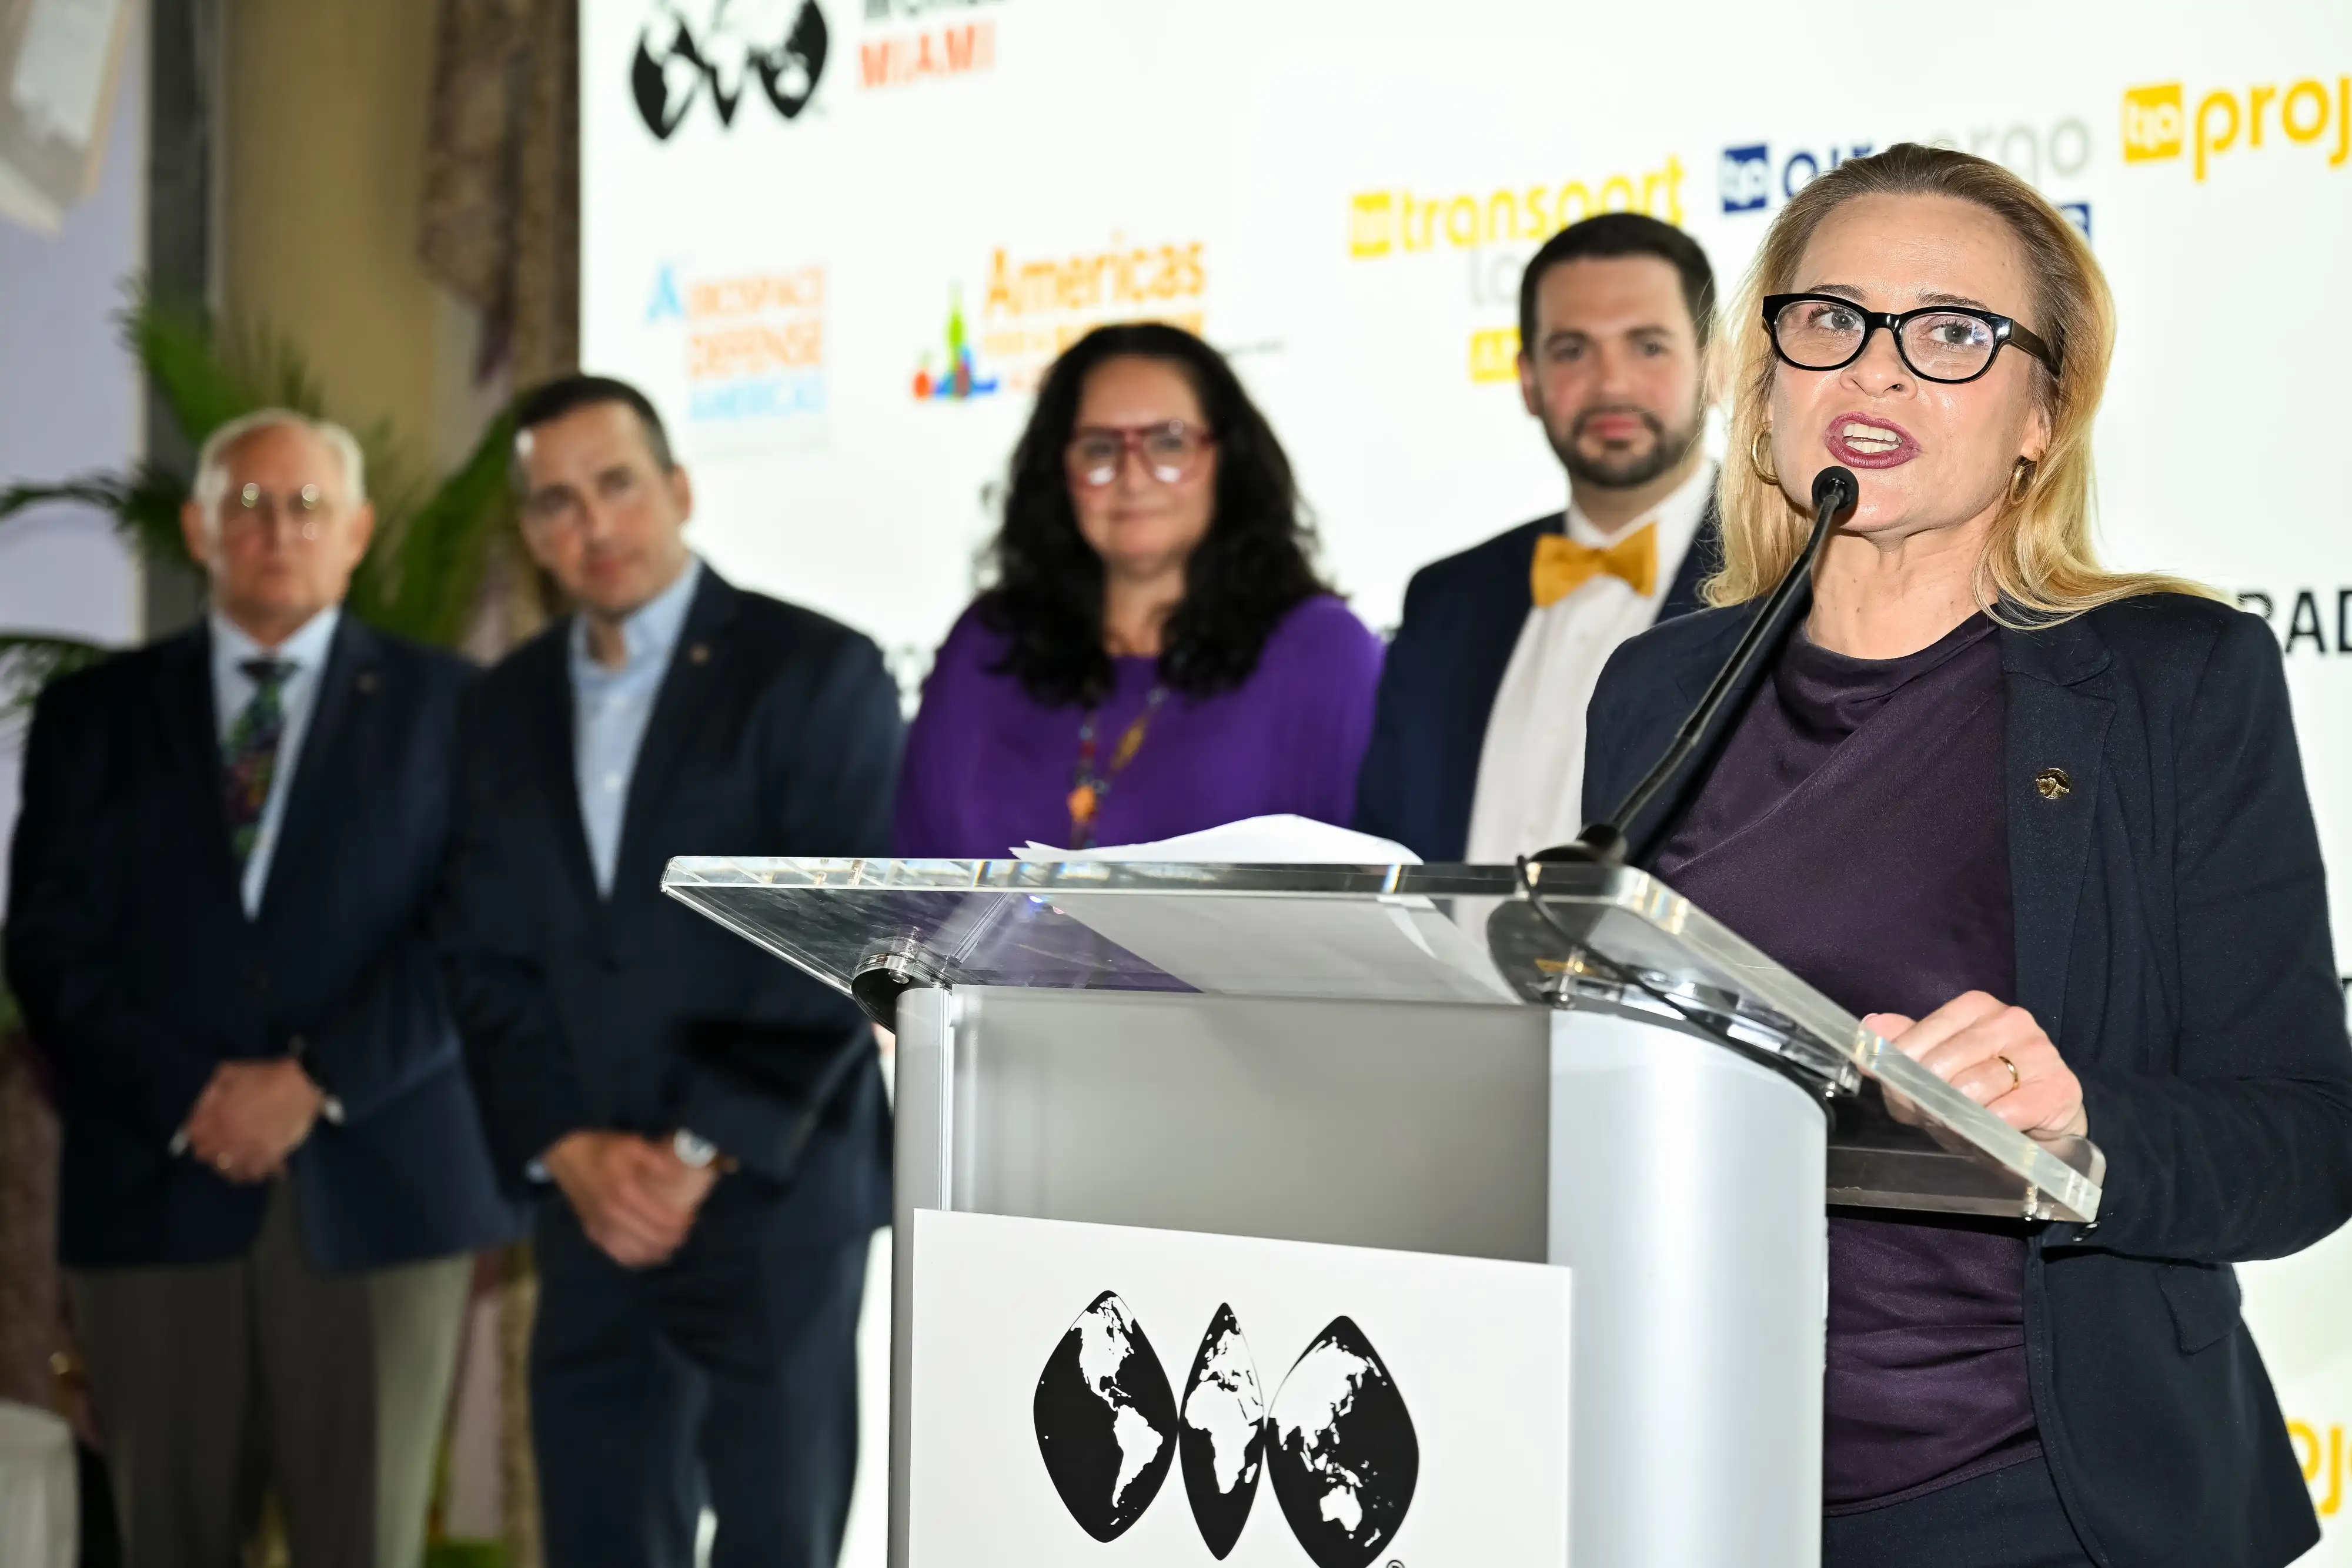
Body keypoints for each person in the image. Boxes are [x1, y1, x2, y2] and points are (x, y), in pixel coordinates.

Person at [1583, 143, 2352, 1567]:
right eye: (1829, 320)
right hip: (1690, 1471)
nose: (1873, 371)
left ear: (2040, 416)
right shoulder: (1656, 685)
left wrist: (2074, 1133)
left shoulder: (2173, 678)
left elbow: (2306, 1138)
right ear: (1766, 381)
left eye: (1948, 334)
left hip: (2039, 1496)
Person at [4, 410, 520, 1568]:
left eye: (304, 506)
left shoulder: (461, 708)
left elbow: (480, 927)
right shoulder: (92, 717)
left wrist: (314, 1081)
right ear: (197, 530)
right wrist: (189, 1094)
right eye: (245, 504)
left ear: (356, 533)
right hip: (155, 1188)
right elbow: (46, 944)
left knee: (364, 1544)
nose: (275, 530)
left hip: (381, 1191)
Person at [438, 375, 903, 1568]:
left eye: (617, 484)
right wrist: (571, 1150)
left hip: (774, 1194)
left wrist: (696, 1150)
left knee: (776, 1539)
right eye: (556, 502)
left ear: (680, 489)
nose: (593, 523)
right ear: (529, 532)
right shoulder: (500, 705)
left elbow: (833, 943)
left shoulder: (817, 669)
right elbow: (479, 951)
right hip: (588, 1202)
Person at [894, 322, 1382, 857]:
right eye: (1099, 448)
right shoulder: (986, 645)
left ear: (1228, 460)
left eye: (1168, 442)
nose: (1132, 475)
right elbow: (913, 884)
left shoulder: (1323, 654)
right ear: (1059, 471)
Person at [1355, 212, 1723, 862]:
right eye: (1572, 350)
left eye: (1647, 346)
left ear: (1715, 366)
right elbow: (1384, 852)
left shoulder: (1789, 584)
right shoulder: (1444, 601)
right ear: (1528, 380)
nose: (1611, 384)